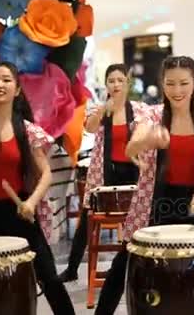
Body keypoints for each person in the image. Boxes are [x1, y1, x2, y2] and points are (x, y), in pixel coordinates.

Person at [94, 56, 194, 315]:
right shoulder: (151, 116)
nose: (177, 91)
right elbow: (132, 145)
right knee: (124, 260)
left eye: (183, 83)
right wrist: (148, 140)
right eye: (170, 84)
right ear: (162, 84)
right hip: (159, 202)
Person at [0, 56, 75, 315]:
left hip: (21, 214)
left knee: (49, 278)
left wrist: (30, 201)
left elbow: (46, 174)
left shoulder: (28, 131)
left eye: (6, 80)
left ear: (17, 89)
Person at [58, 64, 146, 282]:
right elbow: (89, 128)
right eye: (111, 81)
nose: (116, 85)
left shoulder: (138, 109)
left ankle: (135, 269)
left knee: (141, 220)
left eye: (120, 80)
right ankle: (71, 269)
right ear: (106, 84)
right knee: (87, 218)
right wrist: (103, 109)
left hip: (133, 173)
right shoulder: (100, 109)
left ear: (127, 83)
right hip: (105, 173)